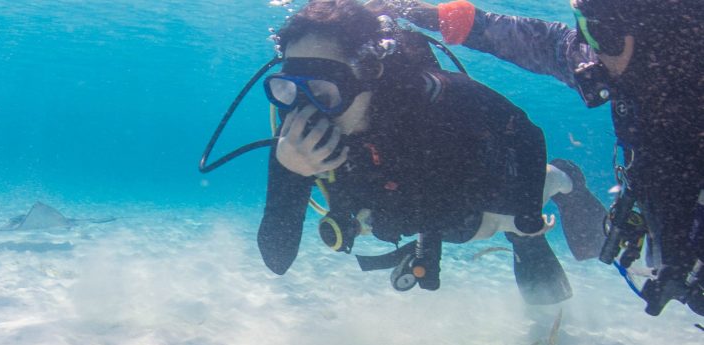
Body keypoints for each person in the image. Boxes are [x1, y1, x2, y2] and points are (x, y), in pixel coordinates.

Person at [368, 0, 704, 345]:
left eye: (603, 34)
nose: (587, 52)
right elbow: (533, 40)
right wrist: (418, 11)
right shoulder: (624, 53)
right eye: (586, 26)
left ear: (663, 34)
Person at [257, 0, 607, 305]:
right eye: (289, 90)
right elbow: (276, 258)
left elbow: (524, 130)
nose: (306, 111)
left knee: (480, 226)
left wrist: (526, 212)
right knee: (430, 223)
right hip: (398, 210)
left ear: (369, 73)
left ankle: (564, 177)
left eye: (323, 91)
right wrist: (290, 169)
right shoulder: (295, 143)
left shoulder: (434, 97)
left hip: (469, 194)